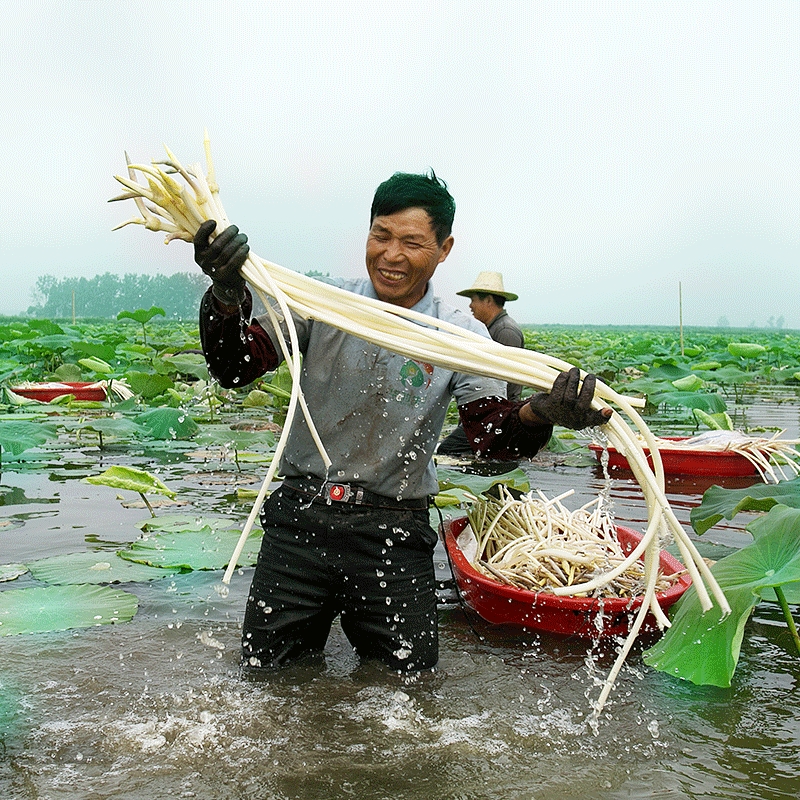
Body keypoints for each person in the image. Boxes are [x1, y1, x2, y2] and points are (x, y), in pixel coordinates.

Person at [192, 170, 611, 675]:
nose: (391, 255)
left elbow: (489, 434)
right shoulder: (321, 305)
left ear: (444, 248)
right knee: (269, 679)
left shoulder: (458, 335)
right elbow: (236, 366)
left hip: (393, 529)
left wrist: (541, 412)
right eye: (380, 236)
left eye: (412, 242)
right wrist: (227, 293)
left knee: (406, 689)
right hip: (300, 521)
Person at [437, 272, 525, 455]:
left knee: (448, 450)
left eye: (474, 299)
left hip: (499, 417)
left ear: (488, 300)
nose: (470, 305)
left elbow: (502, 383)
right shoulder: (489, 329)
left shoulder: (505, 331)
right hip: (488, 414)